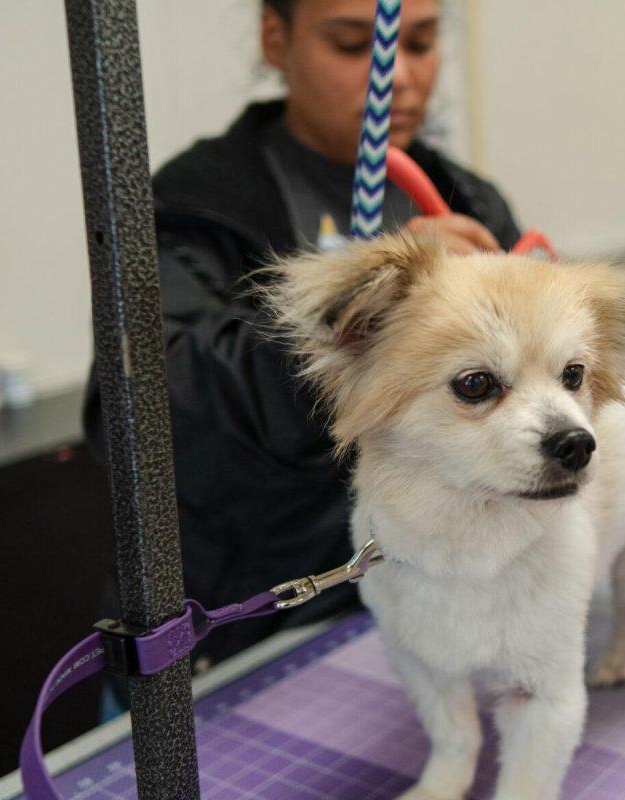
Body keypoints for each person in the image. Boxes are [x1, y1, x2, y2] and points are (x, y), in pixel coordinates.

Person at [84, 0, 521, 673]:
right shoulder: (197, 203)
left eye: (423, 42)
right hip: (260, 631)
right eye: (354, 46)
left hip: (442, 613)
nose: (399, 76)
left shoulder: (468, 203)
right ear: (275, 38)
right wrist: (361, 311)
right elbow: (150, 411)